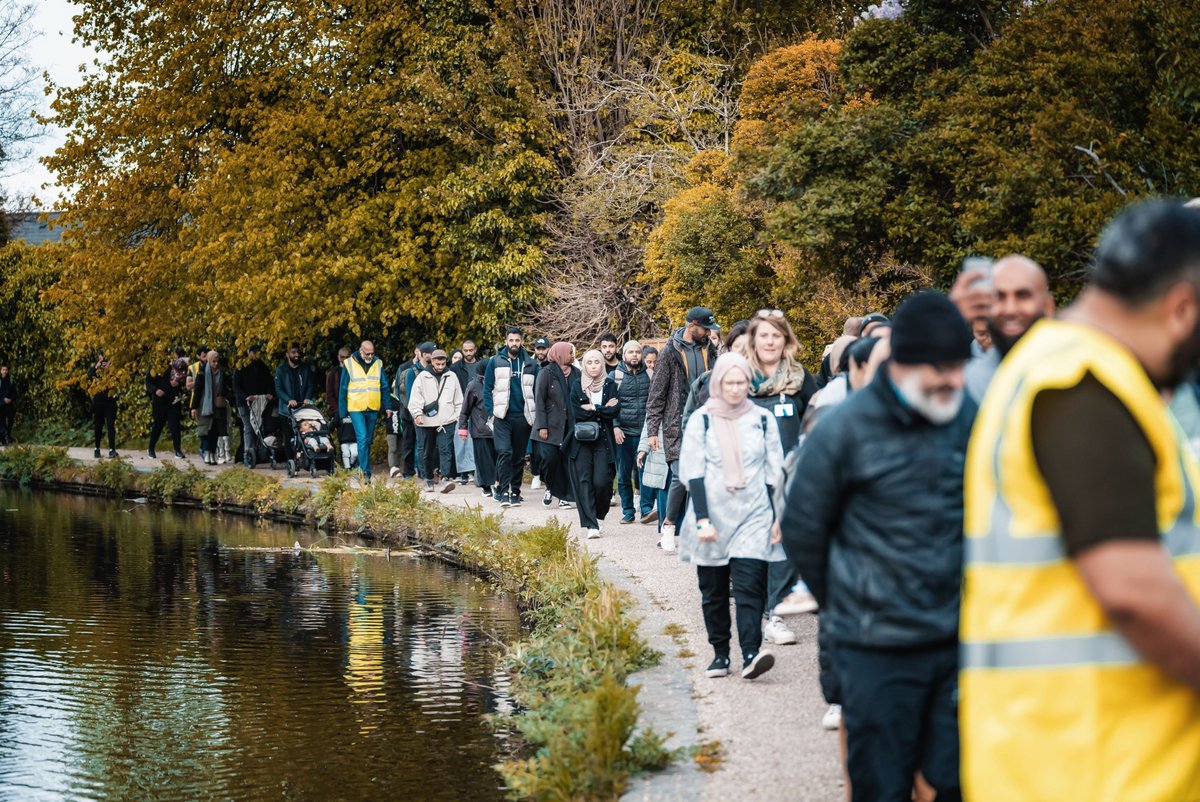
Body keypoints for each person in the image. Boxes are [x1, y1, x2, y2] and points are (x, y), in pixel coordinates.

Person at [961, 200, 1200, 802]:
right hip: (1100, 765)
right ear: (1182, 308)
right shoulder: (1080, 380)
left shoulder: (1060, 366)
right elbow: (1133, 590)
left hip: (1079, 756)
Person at [781, 291, 975, 802]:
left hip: (956, 640)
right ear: (904, 362)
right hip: (875, 645)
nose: (956, 379)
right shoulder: (844, 429)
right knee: (881, 785)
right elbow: (803, 528)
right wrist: (849, 594)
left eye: (961, 365)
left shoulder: (964, 415)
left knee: (957, 783)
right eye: (944, 367)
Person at [678, 352, 783, 681]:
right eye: (730, 382)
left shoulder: (762, 419)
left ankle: (751, 652)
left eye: (742, 382)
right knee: (714, 589)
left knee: (751, 585)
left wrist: (777, 516)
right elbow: (692, 471)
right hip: (712, 513)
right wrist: (703, 519)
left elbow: (774, 471)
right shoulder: (702, 419)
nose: (736, 388)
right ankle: (720, 653)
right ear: (718, 383)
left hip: (753, 512)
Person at [743, 311, 822, 645]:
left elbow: (816, 420)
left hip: (788, 476)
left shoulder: (800, 378)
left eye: (777, 335)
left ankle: (775, 613)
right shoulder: (740, 377)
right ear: (754, 341)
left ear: (786, 340)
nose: (771, 341)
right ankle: (755, 609)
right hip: (748, 473)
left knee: (783, 542)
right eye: (764, 336)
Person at [644, 307, 720, 546]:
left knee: (703, 477)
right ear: (691, 326)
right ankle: (668, 526)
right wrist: (652, 429)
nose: (709, 332)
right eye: (705, 328)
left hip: (708, 422)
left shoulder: (711, 349)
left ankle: (697, 527)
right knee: (680, 476)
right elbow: (656, 392)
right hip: (677, 423)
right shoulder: (669, 352)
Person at [953, 254, 1054, 403]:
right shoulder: (968, 385)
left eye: (1023, 296)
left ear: (1048, 306)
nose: (1010, 310)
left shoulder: (1076, 367)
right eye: (999, 297)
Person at [483, 327, 538, 507]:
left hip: (523, 417)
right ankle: (503, 490)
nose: (514, 343)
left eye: (517, 340)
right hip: (502, 416)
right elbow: (487, 388)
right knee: (505, 452)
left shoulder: (530, 363)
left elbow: (537, 390)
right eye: (511, 340)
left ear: (521, 342)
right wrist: (491, 413)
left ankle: (515, 491)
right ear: (506, 341)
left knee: (518, 457)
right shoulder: (496, 361)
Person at [567, 349, 619, 538]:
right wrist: (603, 409)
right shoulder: (576, 385)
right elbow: (577, 412)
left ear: (602, 364)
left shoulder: (610, 384)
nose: (594, 366)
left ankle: (599, 515)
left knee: (602, 481)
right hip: (582, 441)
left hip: (603, 440)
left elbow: (614, 411)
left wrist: (593, 408)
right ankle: (591, 525)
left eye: (597, 362)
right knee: (584, 481)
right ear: (585, 365)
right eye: (589, 363)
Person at [408, 349, 463, 492]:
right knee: (428, 451)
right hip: (426, 421)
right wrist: (417, 414)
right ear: (432, 361)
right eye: (437, 364)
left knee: (445, 449)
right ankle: (428, 479)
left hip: (447, 421)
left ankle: (445, 478)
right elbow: (415, 399)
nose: (440, 367)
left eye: (443, 364)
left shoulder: (452, 376)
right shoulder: (422, 377)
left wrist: (456, 417)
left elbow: (459, 400)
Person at [533, 341, 578, 509]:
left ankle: (563, 496)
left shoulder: (576, 373)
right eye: (570, 353)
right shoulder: (546, 372)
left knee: (565, 461)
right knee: (549, 460)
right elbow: (539, 400)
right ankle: (550, 487)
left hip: (569, 425)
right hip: (550, 426)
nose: (573, 356)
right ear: (561, 353)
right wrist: (542, 426)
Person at [612, 340, 653, 524]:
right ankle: (628, 511)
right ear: (624, 354)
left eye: (637, 352)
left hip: (644, 433)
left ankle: (645, 510)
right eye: (631, 352)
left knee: (644, 474)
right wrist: (615, 425)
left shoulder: (650, 375)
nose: (634, 355)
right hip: (623, 434)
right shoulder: (615, 376)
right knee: (623, 474)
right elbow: (610, 404)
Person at [338, 340, 391, 479]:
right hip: (356, 407)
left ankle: (358, 467)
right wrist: (342, 412)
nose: (370, 356)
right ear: (361, 351)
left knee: (368, 440)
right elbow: (343, 388)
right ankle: (364, 472)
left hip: (372, 407)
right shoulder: (349, 364)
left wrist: (388, 406)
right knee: (362, 438)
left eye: (372, 353)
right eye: (368, 354)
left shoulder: (378, 363)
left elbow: (384, 386)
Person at [458, 360, 497, 497]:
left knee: (498, 458)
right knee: (483, 460)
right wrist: (463, 428)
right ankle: (486, 486)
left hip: (497, 429)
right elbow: (465, 409)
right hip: (480, 430)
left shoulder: (499, 384)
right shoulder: (474, 385)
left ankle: (497, 483)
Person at [234, 344, 276, 467]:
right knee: (248, 427)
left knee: (260, 426)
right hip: (245, 403)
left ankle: (260, 452)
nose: (257, 355)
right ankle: (248, 453)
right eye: (255, 353)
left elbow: (269, 382)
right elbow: (236, 386)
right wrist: (245, 396)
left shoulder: (262, 366)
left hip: (260, 402)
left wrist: (269, 394)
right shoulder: (240, 366)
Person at [191, 349, 233, 465]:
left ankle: (212, 453)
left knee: (215, 430)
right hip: (205, 405)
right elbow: (198, 390)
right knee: (206, 430)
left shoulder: (222, 372)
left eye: (217, 361)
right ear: (209, 361)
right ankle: (207, 453)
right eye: (213, 361)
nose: (215, 364)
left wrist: (224, 396)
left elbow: (227, 387)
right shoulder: (203, 372)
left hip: (218, 405)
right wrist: (194, 407)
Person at [145, 350, 185, 459]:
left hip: (173, 400)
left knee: (175, 425)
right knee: (158, 425)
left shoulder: (174, 365)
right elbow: (148, 382)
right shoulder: (154, 366)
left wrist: (179, 383)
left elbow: (182, 379)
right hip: (159, 400)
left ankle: (177, 450)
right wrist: (155, 390)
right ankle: (151, 448)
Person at [88, 352, 118, 458]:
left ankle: (112, 449)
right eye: (102, 359)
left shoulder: (112, 371)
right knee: (98, 425)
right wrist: (97, 366)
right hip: (99, 402)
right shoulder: (95, 370)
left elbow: (118, 380)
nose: (104, 361)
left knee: (110, 425)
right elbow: (89, 376)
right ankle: (97, 448)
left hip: (110, 401)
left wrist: (110, 368)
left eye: (106, 359)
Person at [275, 343, 315, 416]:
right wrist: (288, 400)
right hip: (286, 411)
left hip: (303, 408)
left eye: (298, 352)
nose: (297, 354)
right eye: (293, 352)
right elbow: (279, 389)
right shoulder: (281, 370)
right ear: (287, 354)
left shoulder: (305, 368)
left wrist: (307, 398)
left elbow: (310, 385)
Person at [0, 364, 19, 445]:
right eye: (3, 370)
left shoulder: (11, 381)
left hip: (9, 405)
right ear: (0, 371)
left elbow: (15, 392)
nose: (5, 371)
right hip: (0, 404)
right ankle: (5, 438)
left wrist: (11, 399)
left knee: (11, 419)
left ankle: (7, 436)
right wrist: (3, 399)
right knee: (2, 422)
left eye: (6, 370)